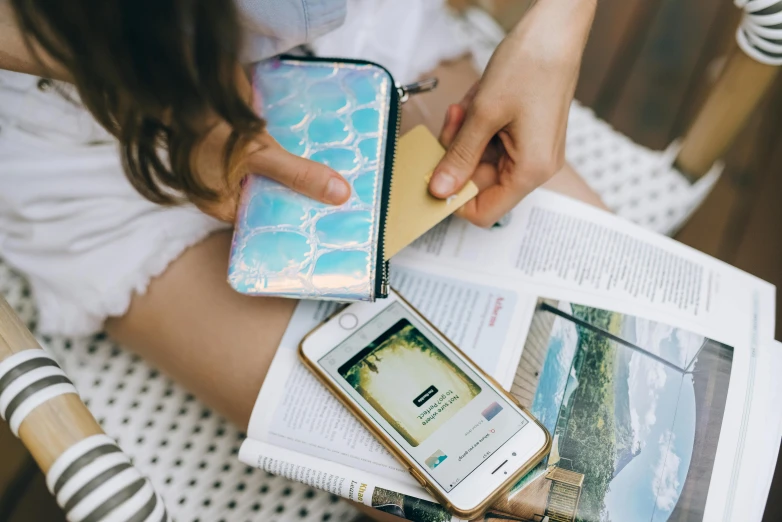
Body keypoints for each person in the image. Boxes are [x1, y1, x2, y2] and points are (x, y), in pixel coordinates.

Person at [0, 0, 599, 518]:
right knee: (511, 505)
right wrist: (161, 90)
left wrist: (556, 31)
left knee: (613, 377)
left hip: (361, 47)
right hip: (97, 133)